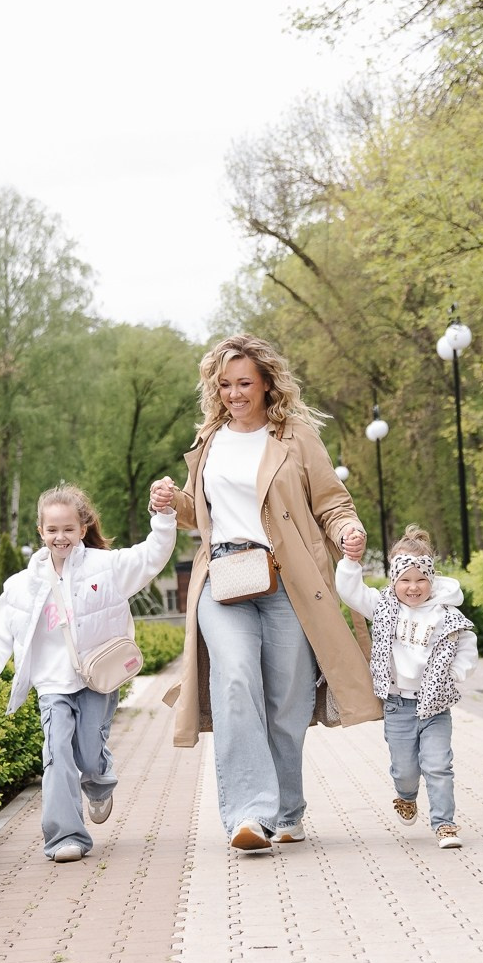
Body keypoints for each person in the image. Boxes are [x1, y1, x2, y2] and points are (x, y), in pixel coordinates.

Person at [154, 335, 380, 852]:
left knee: (288, 700)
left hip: (288, 581)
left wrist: (349, 530)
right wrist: (171, 502)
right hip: (224, 578)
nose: (234, 394)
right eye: (225, 385)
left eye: (244, 384)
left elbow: (330, 500)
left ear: (266, 384)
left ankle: (286, 811)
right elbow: (200, 511)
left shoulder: (294, 437)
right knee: (234, 681)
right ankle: (249, 815)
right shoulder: (209, 439)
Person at [0, 483, 175, 862]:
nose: (60, 537)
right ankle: (66, 837)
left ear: (83, 529)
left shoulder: (105, 567)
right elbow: (0, 627)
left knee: (90, 752)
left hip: (96, 678)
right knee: (57, 754)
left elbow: (152, 556)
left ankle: (99, 780)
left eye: (67, 529)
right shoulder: (24, 584)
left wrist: (164, 517)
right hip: (52, 685)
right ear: (40, 532)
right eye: (52, 530)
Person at [335, 523, 478, 847]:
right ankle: (406, 795)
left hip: (435, 704)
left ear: (431, 578)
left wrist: (454, 674)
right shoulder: (384, 607)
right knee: (405, 769)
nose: (413, 588)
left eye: (421, 580)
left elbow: (467, 645)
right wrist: (350, 561)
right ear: (394, 580)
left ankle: (445, 824)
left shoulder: (446, 614)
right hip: (399, 704)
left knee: (438, 765)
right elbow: (351, 592)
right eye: (405, 580)